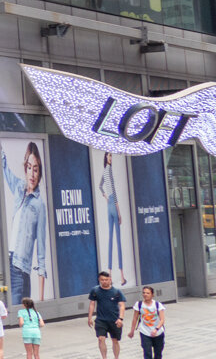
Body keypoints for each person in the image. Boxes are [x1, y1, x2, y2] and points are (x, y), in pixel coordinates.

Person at [2, 143, 48, 303]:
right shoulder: (19, 188)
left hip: (20, 269)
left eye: (36, 169)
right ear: (25, 168)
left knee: (17, 315)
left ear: (39, 172)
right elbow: (4, 167)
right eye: (29, 167)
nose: (32, 174)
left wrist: (42, 302)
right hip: (9, 260)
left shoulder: (39, 205)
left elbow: (41, 248)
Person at [99, 153, 128, 286]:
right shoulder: (109, 170)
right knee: (118, 241)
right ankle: (122, 276)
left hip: (108, 206)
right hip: (113, 205)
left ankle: (109, 274)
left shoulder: (104, 170)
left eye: (111, 156)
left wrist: (106, 198)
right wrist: (119, 211)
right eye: (109, 156)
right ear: (106, 158)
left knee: (111, 239)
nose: (110, 158)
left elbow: (100, 186)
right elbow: (114, 191)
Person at [88, 270, 126, 359]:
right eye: (102, 280)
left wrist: (120, 318)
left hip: (114, 320)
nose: (104, 281)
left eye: (106, 279)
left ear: (110, 279)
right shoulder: (95, 290)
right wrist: (90, 317)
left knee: (115, 340)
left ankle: (116, 357)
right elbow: (92, 304)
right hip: (101, 320)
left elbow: (122, 306)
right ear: (99, 280)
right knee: (101, 339)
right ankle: (104, 357)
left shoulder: (117, 292)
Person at [128, 286, 165, 359]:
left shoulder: (158, 305)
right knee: (147, 353)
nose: (145, 294)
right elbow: (135, 318)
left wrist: (156, 329)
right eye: (144, 293)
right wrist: (132, 331)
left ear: (152, 294)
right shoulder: (139, 304)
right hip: (145, 332)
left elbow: (162, 320)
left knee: (158, 354)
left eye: (148, 293)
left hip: (158, 333)